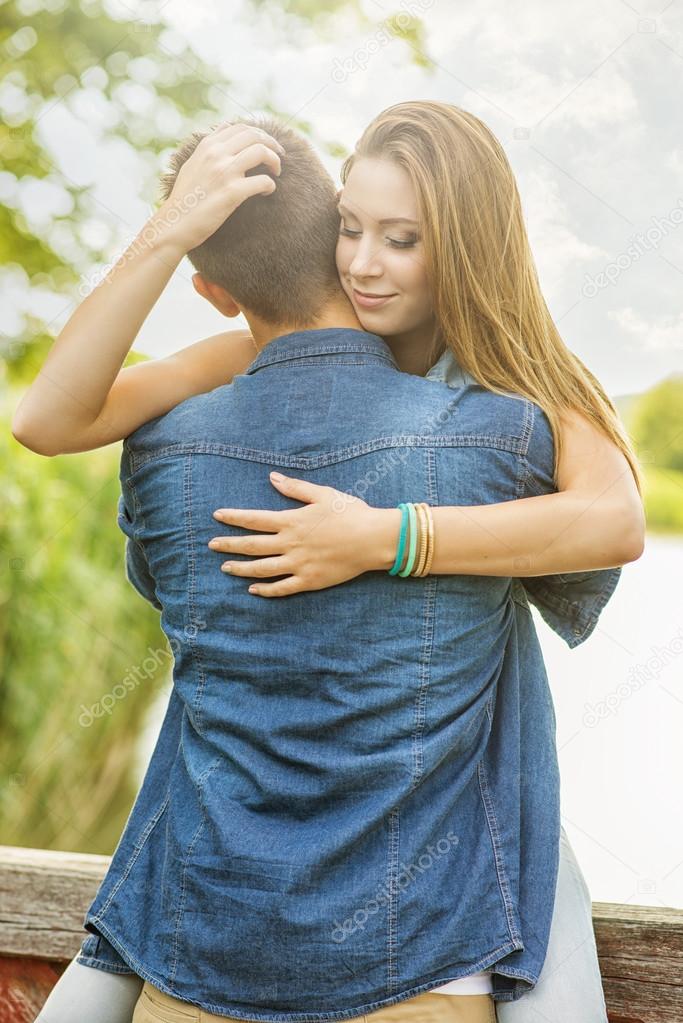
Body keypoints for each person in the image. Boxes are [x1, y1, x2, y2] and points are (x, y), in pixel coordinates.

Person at [18, 106, 644, 1023]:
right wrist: (170, 232)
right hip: (306, 884)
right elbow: (48, 420)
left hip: (436, 827)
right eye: (348, 229)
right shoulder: (252, 355)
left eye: (401, 240)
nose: (360, 263)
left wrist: (387, 538)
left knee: (543, 865)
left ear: (466, 248)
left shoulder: (515, 387)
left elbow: (614, 520)